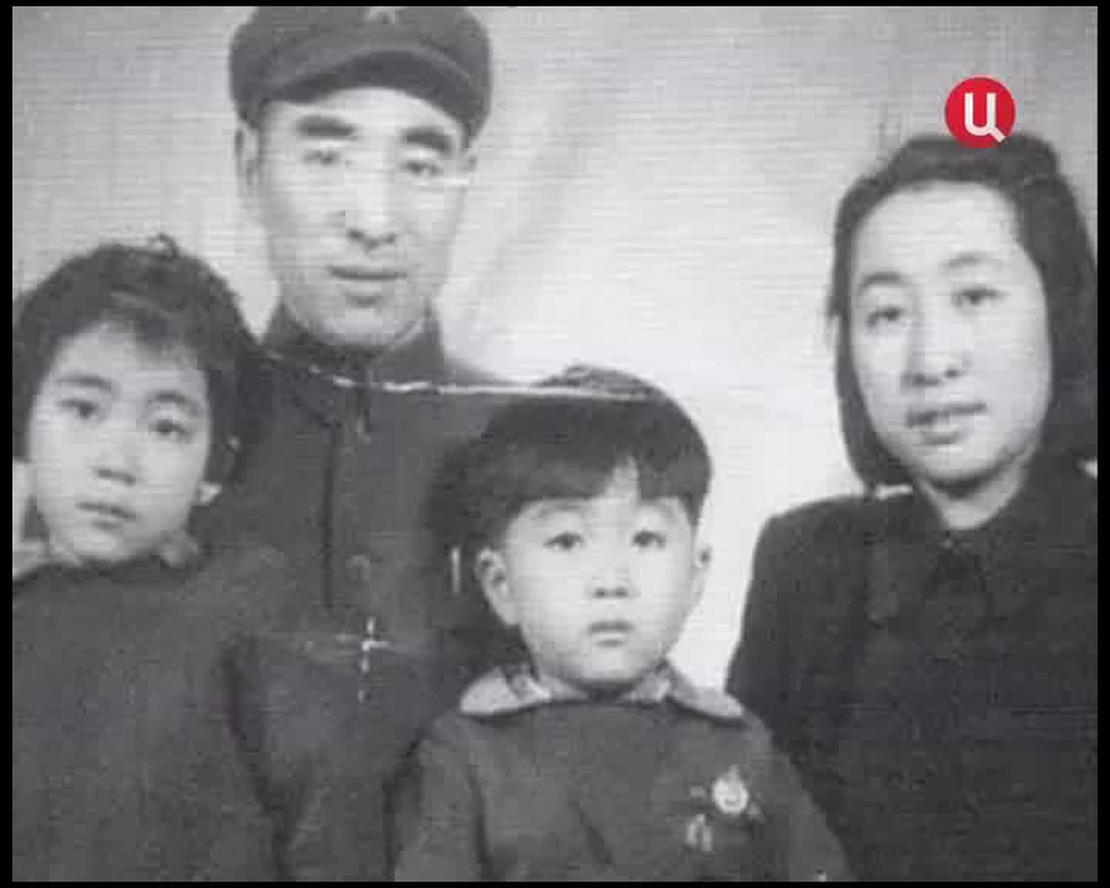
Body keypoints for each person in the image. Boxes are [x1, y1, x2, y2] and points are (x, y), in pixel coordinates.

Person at [726, 133, 1098, 881]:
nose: (930, 361)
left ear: (1063, 316)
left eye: (975, 297)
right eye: (887, 313)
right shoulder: (806, 563)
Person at [391, 366, 853, 882]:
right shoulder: (466, 756)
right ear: (501, 585)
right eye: (567, 541)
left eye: (646, 539)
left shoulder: (740, 746)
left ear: (696, 574)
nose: (611, 581)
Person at [203, 5, 512, 683]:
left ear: (465, 181)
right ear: (251, 169)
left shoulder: (535, 445)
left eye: (421, 166)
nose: (374, 222)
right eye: (327, 157)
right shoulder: (162, 438)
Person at [11, 237, 302, 880]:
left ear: (215, 466)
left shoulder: (249, 616)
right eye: (83, 410)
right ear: (24, 419)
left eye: (167, 427)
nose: (116, 462)